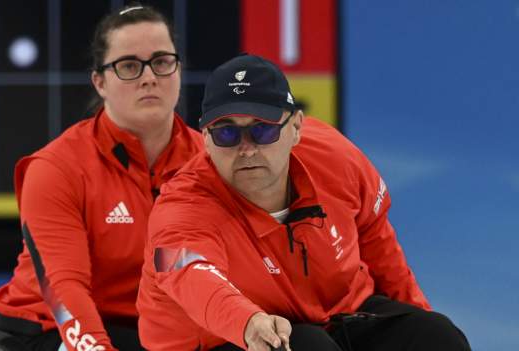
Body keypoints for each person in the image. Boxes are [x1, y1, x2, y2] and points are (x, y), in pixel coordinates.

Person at [137, 54, 471, 351]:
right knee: (305, 345)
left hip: (332, 318)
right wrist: (248, 323)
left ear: (296, 127)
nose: (247, 148)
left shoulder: (335, 158)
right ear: (205, 139)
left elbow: (375, 238)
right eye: (227, 134)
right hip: (223, 339)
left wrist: (416, 320)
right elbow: (188, 273)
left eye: (263, 130)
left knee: (435, 337)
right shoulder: (179, 210)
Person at [0, 5, 202, 351]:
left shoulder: (211, 161)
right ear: (100, 81)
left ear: (178, 69)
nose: (149, 77)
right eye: (128, 66)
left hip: (154, 328)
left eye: (161, 61)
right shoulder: (56, 168)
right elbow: (64, 290)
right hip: (51, 326)